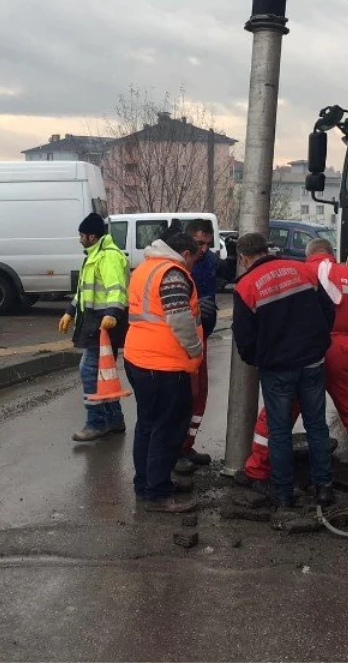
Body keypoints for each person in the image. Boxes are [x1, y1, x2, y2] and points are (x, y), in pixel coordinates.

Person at [239, 238, 348, 496]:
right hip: (342, 350)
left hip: (303, 350)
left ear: (308, 254)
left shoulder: (297, 272)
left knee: (280, 415)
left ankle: (257, 471)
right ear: (332, 254)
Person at [231, 231, 335, 507]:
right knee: (316, 426)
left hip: (277, 368)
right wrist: (319, 343)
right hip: (312, 361)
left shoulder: (246, 286)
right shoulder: (302, 269)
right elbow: (328, 310)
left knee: (278, 432)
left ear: (243, 258)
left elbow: (243, 336)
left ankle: (284, 494)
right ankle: (324, 488)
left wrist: (258, 358)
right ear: (267, 249)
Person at [124, 230, 204, 513]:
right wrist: (196, 350)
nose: (193, 265)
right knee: (166, 428)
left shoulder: (145, 267)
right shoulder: (172, 273)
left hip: (139, 358)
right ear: (185, 254)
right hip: (164, 364)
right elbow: (179, 318)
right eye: (194, 258)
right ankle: (157, 493)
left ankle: (146, 483)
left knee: (147, 424)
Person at [59, 212, 129, 441]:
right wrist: (70, 312)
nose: (80, 239)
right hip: (94, 321)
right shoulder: (95, 255)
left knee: (89, 371)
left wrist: (113, 314)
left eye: (82, 235)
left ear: (92, 235)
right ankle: (114, 419)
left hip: (102, 323)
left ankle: (96, 423)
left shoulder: (108, 257)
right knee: (104, 374)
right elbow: (84, 291)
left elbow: (116, 289)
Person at [175, 218, 217, 472]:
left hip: (202, 337)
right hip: (182, 344)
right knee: (184, 398)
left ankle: (186, 445)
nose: (203, 249)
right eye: (199, 243)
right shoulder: (179, 265)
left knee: (199, 396)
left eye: (207, 244)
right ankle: (175, 450)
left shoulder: (209, 260)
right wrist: (199, 304)